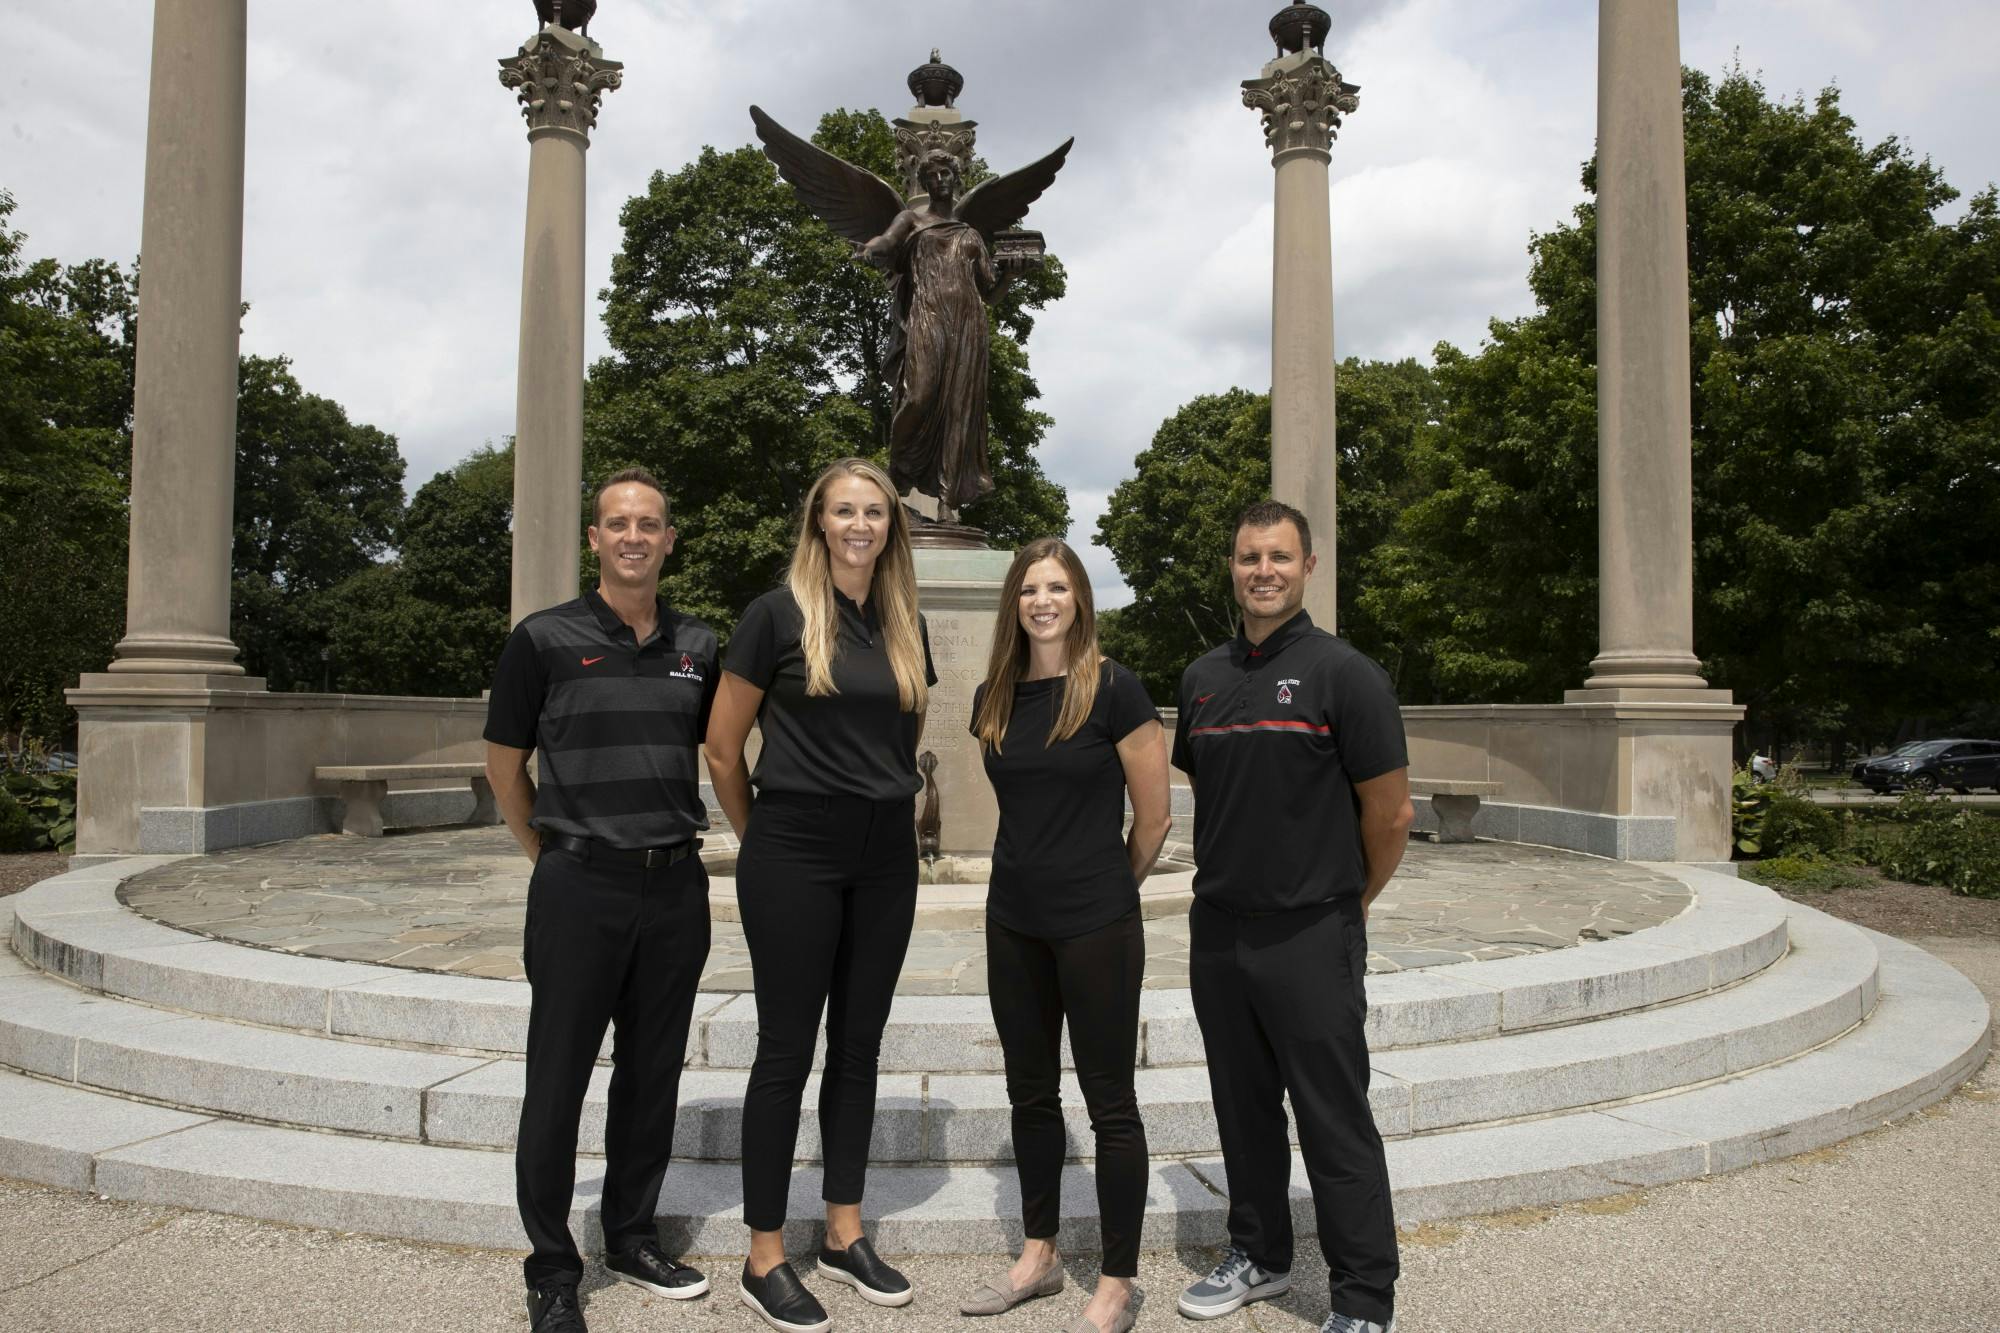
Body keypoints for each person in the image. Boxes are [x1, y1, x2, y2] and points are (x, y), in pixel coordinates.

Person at [703, 456, 937, 1333]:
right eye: (844, 510)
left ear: (890, 527)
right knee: (785, 1050)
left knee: (860, 1048)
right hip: (794, 844)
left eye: (873, 511)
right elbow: (724, 750)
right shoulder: (774, 616)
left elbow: (899, 742)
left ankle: (844, 1231)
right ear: (818, 523)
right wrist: (761, 837)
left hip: (886, 852)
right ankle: (766, 1253)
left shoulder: (900, 620)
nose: (860, 524)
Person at [1171, 501, 1414, 1333]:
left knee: (1333, 1118)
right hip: (1220, 932)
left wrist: (1345, 901)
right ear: (1232, 567)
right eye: (1248, 557)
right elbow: (1219, 794)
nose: (1262, 570)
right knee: (1241, 1109)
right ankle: (1262, 1254)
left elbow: (1389, 817)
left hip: (1312, 932)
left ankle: (1362, 1299)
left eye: (1278, 556)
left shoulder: (1346, 674)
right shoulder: (1200, 679)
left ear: (1308, 565)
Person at [483, 467, 717, 1333]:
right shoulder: (541, 638)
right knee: (558, 1080)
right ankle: (550, 1266)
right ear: (594, 539)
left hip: (675, 886)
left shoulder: (700, 643)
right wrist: (546, 851)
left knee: (652, 1075)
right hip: (579, 883)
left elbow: (710, 747)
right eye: (617, 522)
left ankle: (631, 1233)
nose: (632, 536)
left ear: (667, 539)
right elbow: (504, 765)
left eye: (648, 523)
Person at [957, 538, 1171, 1333]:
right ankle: (1039, 1253)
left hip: (1095, 923)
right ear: (1013, 603)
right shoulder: (994, 695)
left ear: (1080, 598)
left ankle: (1117, 1281)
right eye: (1028, 589)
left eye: (1057, 587)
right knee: (1030, 1093)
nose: (1042, 600)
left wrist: (1107, 889)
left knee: (1111, 1103)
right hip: (1012, 918)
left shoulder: (1115, 690)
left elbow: (1154, 818)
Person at [860, 149, 1006, 517]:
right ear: (924, 183)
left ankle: (946, 502)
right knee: (919, 396)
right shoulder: (911, 219)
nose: (940, 180)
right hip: (927, 317)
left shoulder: (970, 234)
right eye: (933, 175)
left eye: (946, 174)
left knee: (960, 409)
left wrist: (1015, 274)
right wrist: (872, 247)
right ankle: (899, 473)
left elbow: (989, 291)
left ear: (956, 179)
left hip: (968, 326)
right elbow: (887, 242)